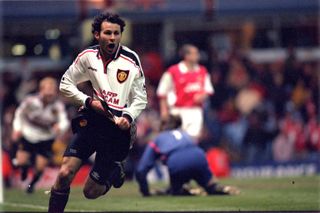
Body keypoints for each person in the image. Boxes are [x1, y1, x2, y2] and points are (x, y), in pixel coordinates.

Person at [48, 12, 147, 213]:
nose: (112, 38)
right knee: (65, 173)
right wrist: (88, 101)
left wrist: (128, 116)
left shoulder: (130, 60)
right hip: (92, 122)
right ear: (96, 35)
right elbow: (65, 84)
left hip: (117, 130)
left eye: (116, 33)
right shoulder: (87, 57)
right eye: (108, 33)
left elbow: (140, 97)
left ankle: (114, 172)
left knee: (90, 192)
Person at [135, 115, 239, 196]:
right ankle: (218, 188)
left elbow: (141, 170)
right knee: (210, 186)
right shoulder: (185, 134)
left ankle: (182, 190)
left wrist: (145, 192)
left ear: (162, 127)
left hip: (177, 161)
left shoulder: (158, 139)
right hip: (199, 156)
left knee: (175, 191)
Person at [11, 77, 69, 193]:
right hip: (28, 135)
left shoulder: (58, 106)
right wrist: (17, 129)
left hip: (46, 138)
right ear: (41, 90)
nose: (50, 92)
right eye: (48, 89)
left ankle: (32, 184)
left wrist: (60, 127)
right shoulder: (30, 101)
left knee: (40, 168)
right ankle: (24, 169)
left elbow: (64, 121)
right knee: (22, 162)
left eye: (52, 89)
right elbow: (19, 114)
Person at [157, 44, 214, 141]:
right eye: (194, 53)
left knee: (193, 141)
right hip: (177, 111)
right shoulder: (173, 71)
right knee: (176, 140)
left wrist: (202, 96)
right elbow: (162, 92)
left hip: (195, 111)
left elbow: (208, 90)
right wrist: (164, 112)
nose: (197, 56)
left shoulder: (202, 71)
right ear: (186, 56)